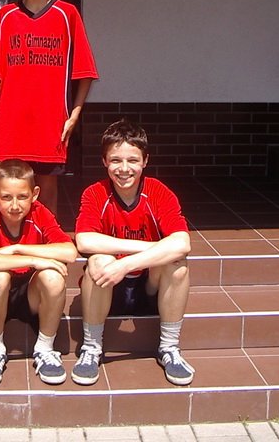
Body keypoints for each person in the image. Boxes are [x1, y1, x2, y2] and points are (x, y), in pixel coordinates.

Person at [0, 0, 98, 214]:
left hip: (51, 120)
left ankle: (45, 239)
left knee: (47, 191)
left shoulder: (67, 14)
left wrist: (74, 116)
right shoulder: (6, 16)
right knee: (11, 188)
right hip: (12, 122)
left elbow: (84, 72)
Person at [72, 119, 194, 386]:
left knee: (177, 265)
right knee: (99, 260)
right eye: (116, 160)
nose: (124, 169)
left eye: (133, 160)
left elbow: (183, 243)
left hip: (149, 286)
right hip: (109, 286)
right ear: (104, 161)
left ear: (145, 161)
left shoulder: (158, 192)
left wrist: (126, 264)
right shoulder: (95, 193)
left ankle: (169, 347)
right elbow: (84, 240)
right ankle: (92, 347)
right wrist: (151, 248)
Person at [0, 159, 77, 388]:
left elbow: (69, 251)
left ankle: (45, 348)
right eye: (6, 197)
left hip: (30, 295)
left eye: (22, 197)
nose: (15, 205)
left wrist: (18, 248)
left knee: (53, 277)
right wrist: (32, 259)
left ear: (35, 194)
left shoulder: (40, 213)